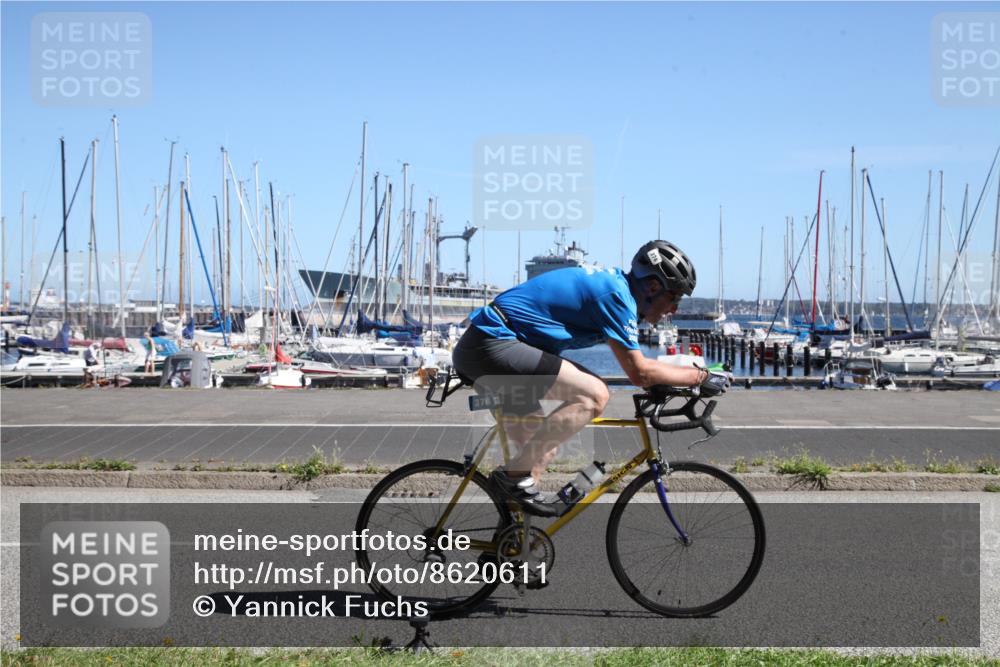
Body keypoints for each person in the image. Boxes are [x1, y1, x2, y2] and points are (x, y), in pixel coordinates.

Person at [452, 240, 725, 517]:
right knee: (594, 395)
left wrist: (672, 379)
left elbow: (642, 369)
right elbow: (639, 372)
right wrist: (700, 376)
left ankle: (514, 538)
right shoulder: (616, 295)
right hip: (491, 344)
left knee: (539, 452)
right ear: (653, 287)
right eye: (675, 297)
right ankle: (509, 479)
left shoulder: (618, 290)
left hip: (494, 347)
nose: (674, 309)